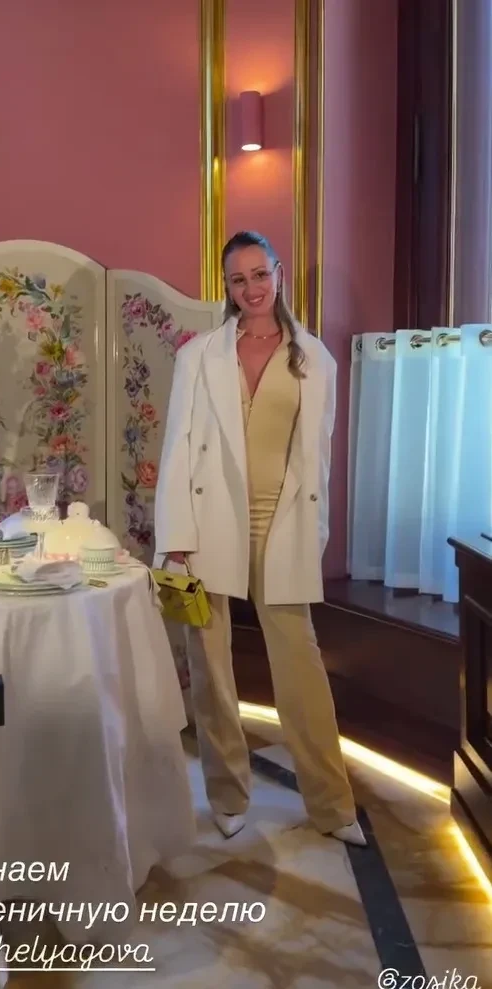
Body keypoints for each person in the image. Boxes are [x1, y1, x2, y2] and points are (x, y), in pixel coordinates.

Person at [153, 230, 366, 847]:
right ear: (226, 286)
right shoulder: (199, 355)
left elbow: (318, 463)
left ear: (279, 273)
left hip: (282, 522)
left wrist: (314, 537)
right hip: (208, 521)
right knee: (210, 667)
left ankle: (332, 805)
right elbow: (177, 449)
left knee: (301, 666)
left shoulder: (314, 359)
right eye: (238, 279)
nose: (251, 288)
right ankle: (227, 794)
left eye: (259, 274)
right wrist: (176, 537)